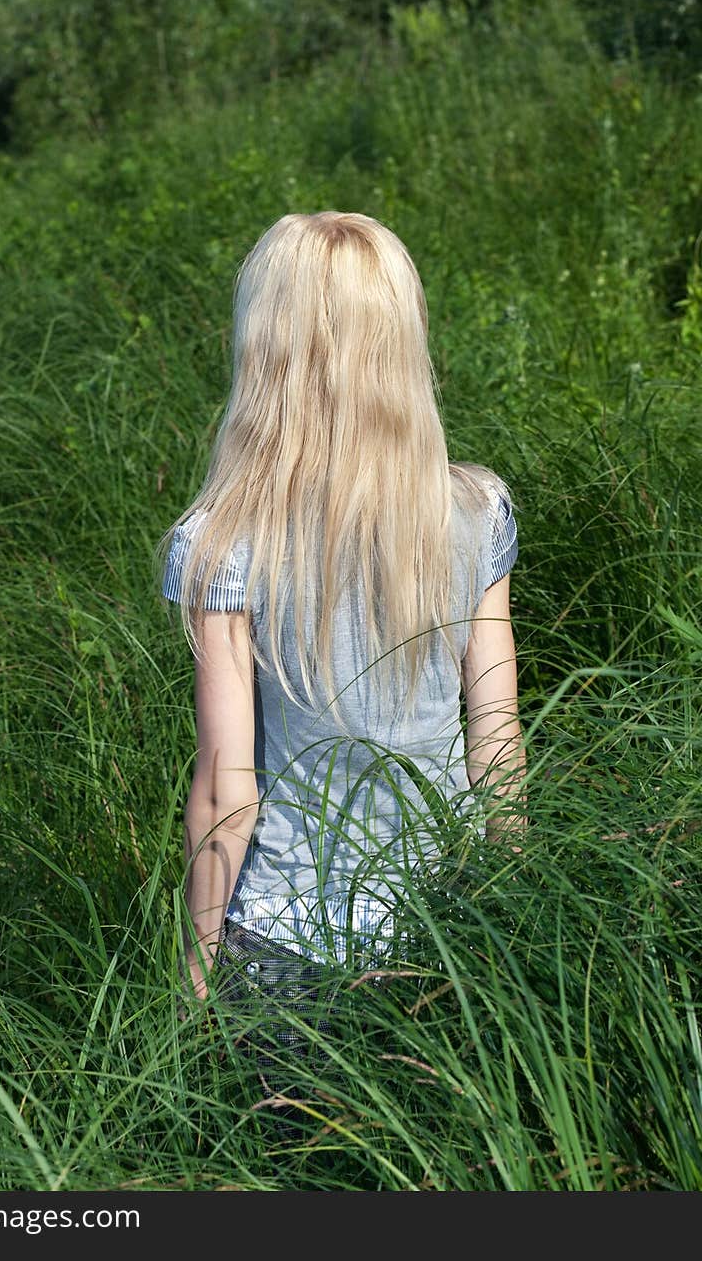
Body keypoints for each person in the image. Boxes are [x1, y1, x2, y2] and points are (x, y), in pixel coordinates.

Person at [157, 211, 526, 1057]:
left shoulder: (222, 543)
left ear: (268, 353)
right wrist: (519, 912)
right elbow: (496, 743)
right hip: (452, 933)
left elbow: (225, 791)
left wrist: (196, 979)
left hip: (289, 952)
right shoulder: (474, 515)